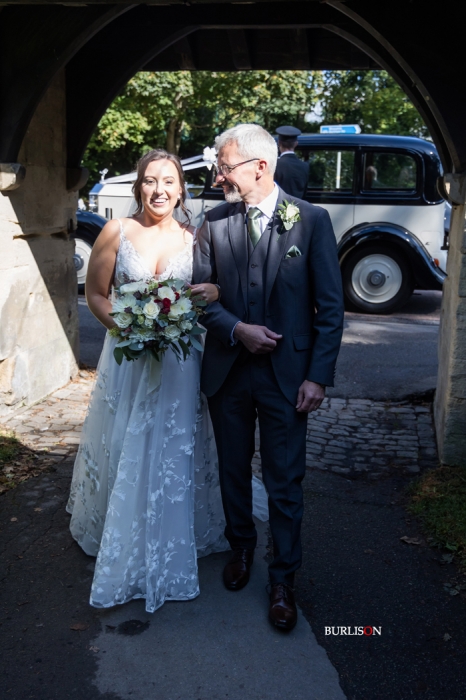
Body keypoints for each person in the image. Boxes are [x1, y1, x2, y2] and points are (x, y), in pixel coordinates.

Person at [193, 124, 344, 631]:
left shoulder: (312, 221)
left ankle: (283, 578)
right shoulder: (214, 221)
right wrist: (237, 328)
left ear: (260, 166)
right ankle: (241, 548)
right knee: (232, 470)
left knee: (285, 480)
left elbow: (331, 307)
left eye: (225, 167)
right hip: (228, 372)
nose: (219, 177)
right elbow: (199, 297)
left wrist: (318, 377)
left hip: (289, 377)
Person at [66, 149, 228, 613]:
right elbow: (97, 294)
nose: (159, 190)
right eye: (150, 181)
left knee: (176, 441)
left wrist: (215, 290)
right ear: (139, 187)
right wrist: (129, 328)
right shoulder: (116, 231)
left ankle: (176, 526)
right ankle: (120, 525)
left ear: (181, 190)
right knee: (126, 438)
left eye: (168, 181)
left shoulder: (195, 237)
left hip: (180, 361)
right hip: (129, 358)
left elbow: (212, 288)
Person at [273, 125, 309, 199]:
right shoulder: (305, 166)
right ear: (296, 144)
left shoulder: (275, 164)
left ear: (279, 143)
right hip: (298, 205)